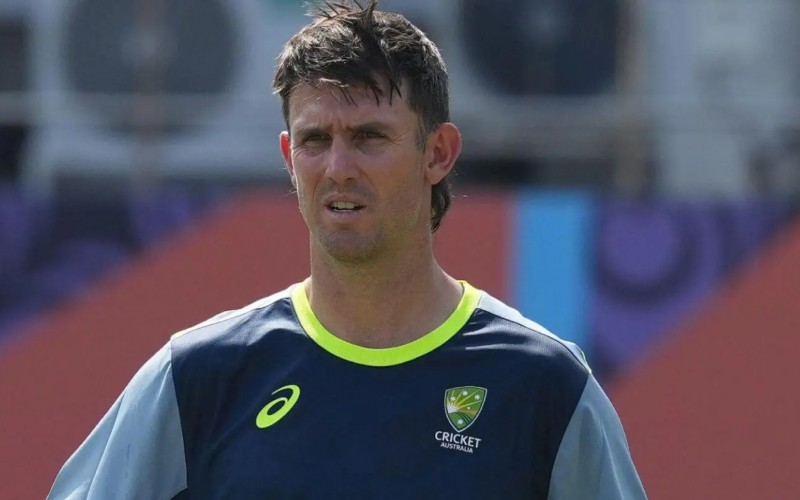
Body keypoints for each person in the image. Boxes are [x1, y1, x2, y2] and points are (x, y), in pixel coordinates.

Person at [48, 1, 646, 498]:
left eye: (369, 137)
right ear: (289, 158)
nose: (338, 168)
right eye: (315, 140)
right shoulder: (199, 376)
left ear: (438, 153)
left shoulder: (544, 385)